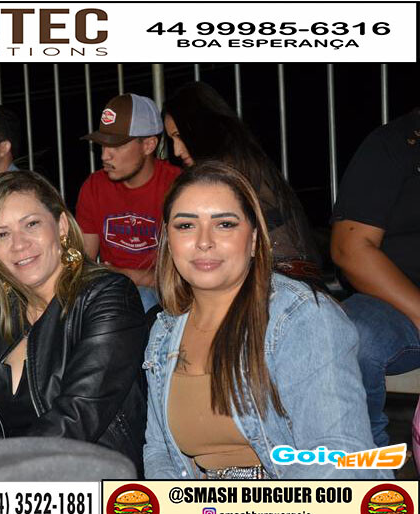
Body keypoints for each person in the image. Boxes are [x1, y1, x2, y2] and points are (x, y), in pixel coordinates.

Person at [143, 161, 389, 479]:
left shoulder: (301, 317)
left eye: (225, 224)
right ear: (168, 240)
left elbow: (338, 458)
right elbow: (159, 451)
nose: (204, 241)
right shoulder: (164, 330)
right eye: (186, 225)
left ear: (255, 240)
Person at [0, 170, 147, 479]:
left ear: (61, 226)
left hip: (95, 487)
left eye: (31, 224)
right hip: (19, 488)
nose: (18, 244)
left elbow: (75, 419)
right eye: (1, 234)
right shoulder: (1, 321)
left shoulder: (106, 295)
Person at [163, 82, 321, 280]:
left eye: (179, 136)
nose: (176, 150)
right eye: (172, 140)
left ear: (200, 129)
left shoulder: (225, 175)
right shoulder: (243, 159)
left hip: (279, 278)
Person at [331, 109, 420, 448]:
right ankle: (364, 466)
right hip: (401, 304)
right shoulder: (395, 144)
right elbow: (350, 249)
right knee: (354, 335)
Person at [76, 93, 181, 312]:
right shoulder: (94, 186)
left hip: (167, 295)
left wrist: (127, 275)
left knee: (143, 298)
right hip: (112, 292)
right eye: (103, 145)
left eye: (117, 146)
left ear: (149, 145)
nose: (105, 156)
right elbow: (83, 263)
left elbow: (184, 274)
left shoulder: (177, 186)